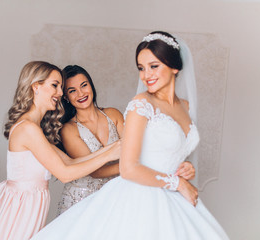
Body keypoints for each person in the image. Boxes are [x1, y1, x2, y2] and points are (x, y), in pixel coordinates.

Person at [31, 32, 229, 239]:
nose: (146, 75)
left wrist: (183, 166)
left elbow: (161, 148)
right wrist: (170, 178)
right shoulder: (140, 105)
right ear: (67, 97)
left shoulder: (184, 108)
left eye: (153, 66)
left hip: (168, 190)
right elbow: (126, 166)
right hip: (127, 193)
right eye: (141, 68)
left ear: (175, 67)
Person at [0, 61, 120, 240]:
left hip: (29, 209)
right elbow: (66, 174)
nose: (60, 93)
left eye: (61, 87)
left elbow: (69, 162)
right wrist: (110, 154)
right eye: (55, 86)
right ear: (36, 86)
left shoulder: (33, 127)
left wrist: (113, 148)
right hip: (19, 213)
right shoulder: (27, 128)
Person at [57, 65, 195, 215]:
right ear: (66, 97)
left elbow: (135, 149)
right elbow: (95, 171)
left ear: (91, 85)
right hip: (81, 199)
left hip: (114, 195)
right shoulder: (68, 129)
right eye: (72, 91)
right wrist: (129, 165)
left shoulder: (113, 115)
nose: (81, 93)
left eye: (84, 85)